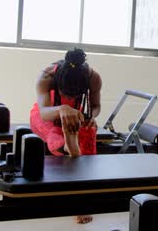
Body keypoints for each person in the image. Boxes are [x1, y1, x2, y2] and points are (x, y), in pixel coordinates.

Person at [30, 48, 102, 224]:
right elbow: (45, 112)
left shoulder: (94, 78)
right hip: (47, 116)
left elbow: (96, 105)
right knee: (55, 136)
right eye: (65, 93)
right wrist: (62, 108)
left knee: (89, 137)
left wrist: (90, 116)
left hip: (75, 115)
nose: (69, 96)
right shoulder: (46, 76)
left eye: (75, 95)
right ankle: (68, 145)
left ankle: (83, 197)